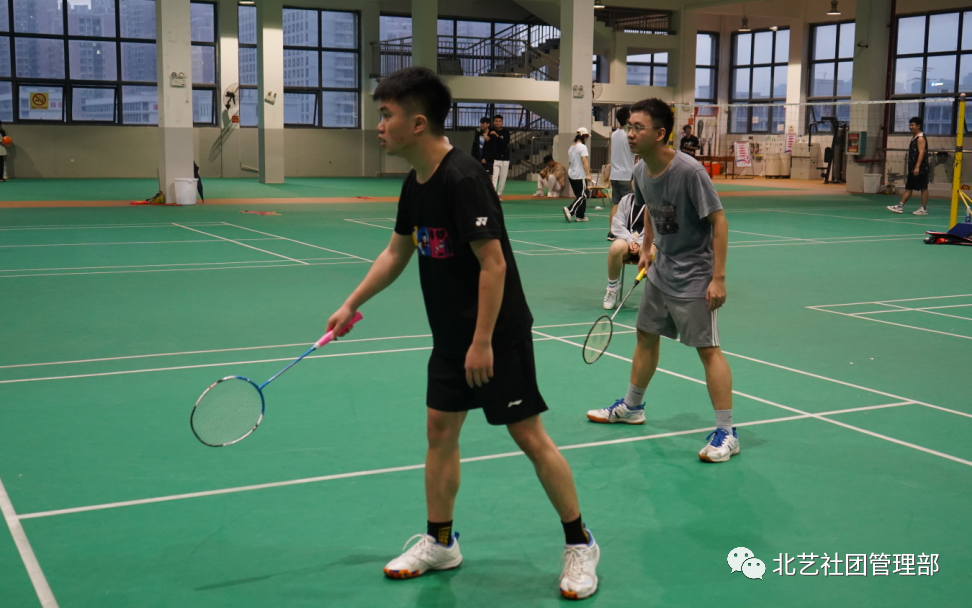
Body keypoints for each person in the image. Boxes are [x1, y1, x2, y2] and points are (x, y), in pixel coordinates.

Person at [325, 67, 600, 600]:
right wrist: (351, 304)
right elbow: (397, 251)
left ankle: (580, 543)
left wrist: (481, 342)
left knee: (528, 436)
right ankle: (440, 541)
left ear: (418, 123)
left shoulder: (464, 179)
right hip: (452, 338)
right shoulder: (416, 182)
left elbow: (493, 265)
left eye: (386, 115)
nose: (378, 125)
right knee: (440, 432)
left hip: (495, 337)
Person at [585, 98, 737, 464]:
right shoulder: (640, 171)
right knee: (645, 335)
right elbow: (650, 211)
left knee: (707, 349)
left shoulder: (689, 171)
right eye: (628, 127)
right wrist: (647, 248)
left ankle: (727, 432)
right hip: (661, 269)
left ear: (660, 134)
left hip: (694, 273)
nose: (630, 134)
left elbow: (719, 222)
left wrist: (718, 278)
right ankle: (633, 407)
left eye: (638, 128)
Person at [602, 192, 657, 309]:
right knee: (615, 247)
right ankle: (612, 288)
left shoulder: (655, 200)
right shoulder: (625, 200)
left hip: (647, 242)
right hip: (627, 241)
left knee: (650, 252)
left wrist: (639, 242)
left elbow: (654, 227)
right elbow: (617, 224)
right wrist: (630, 240)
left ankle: (653, 294)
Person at [887, 116, 929, 216]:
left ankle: (923, 209)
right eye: (910, 125)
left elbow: (921, 153)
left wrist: (917, 167)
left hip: (920, 168)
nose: (910, 127)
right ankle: (900, 206)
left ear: (918, 126)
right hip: (912, 168)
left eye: (913, 125)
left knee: (923, 187)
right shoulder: (914, 137)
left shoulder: (921, 138)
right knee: (909, 187)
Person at [608, 106, 635, 240]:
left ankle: (612, 232)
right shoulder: (629, 135)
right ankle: (628, 232)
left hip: (614, 175)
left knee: (616, 204)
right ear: (628, 118)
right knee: (629, 206)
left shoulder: (614, 135)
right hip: (626, 175)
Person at [563, 128, 592, 222]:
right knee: (583, 196)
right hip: (580, 175)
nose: (587, 139)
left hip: (572, 174)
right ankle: (570, 210)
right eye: (587, 137)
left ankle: (580, 216)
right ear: (584, 137)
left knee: (579, 196)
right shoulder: (582, 147)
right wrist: (588, 174)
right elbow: (584, 161)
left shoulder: (571, 147)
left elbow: (570, 163)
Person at [485, 114, 511, 200]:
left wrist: (496, 135)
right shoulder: (490, 130)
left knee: (503, 177)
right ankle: (493, 194)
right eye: (496, 121)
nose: (497, 123)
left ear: (502, 123)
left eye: (499, 121)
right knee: (494, 177)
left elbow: (504, 143)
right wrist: (485, 136)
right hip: (495, 158)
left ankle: (499, 194)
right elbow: (480, 131)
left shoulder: (505, 132)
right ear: (493, 122)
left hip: (505, 158)